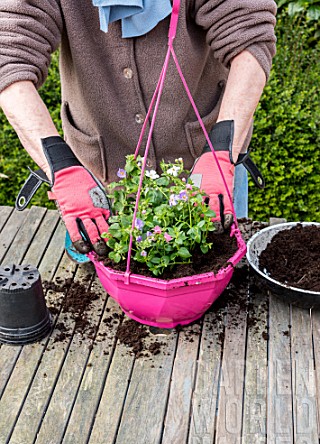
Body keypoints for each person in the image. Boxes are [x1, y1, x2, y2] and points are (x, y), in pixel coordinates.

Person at [0, 0, 277, 257]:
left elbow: (250, 35)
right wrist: (61, 167)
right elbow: (8, 55)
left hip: (209, 170)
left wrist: (221, 152)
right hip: (96, 186)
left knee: (223, 273)